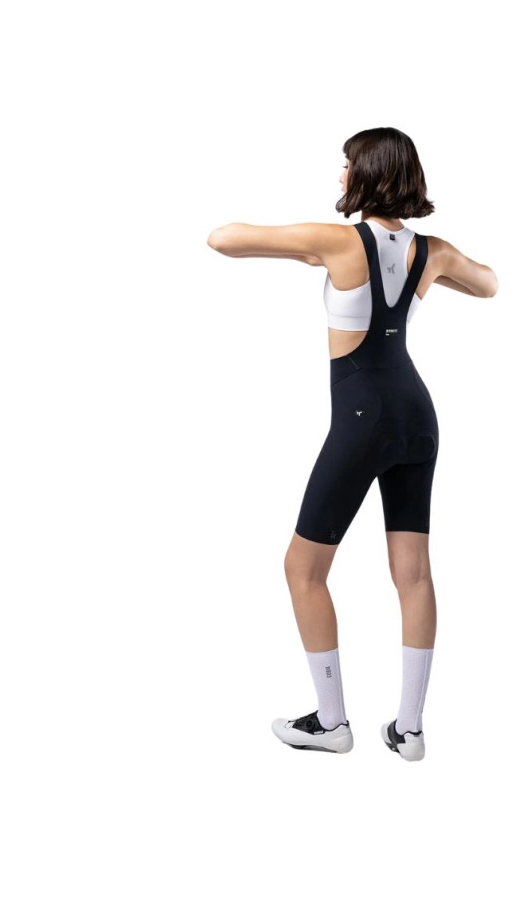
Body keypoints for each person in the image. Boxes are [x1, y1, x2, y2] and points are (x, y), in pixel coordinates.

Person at [207, 127, 497, 761]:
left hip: (363, 418)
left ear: (368, 173)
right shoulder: (433, 252)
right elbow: (489, 284)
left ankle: (332, 723)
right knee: (413, 573)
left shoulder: (336, 240)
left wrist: (306, 250)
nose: (340, 176)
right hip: (418, 416)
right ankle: (410, 730)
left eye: (346, 166)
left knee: (302, 568)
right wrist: (425, 272)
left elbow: (222, 238)